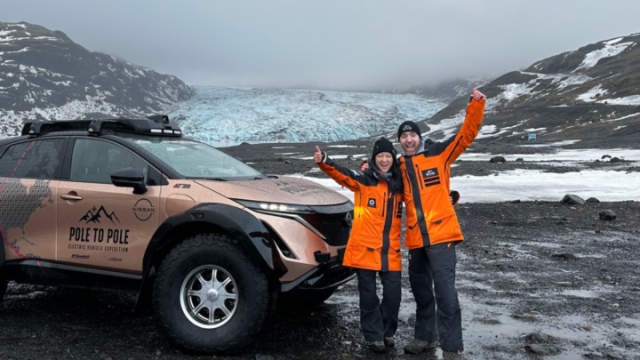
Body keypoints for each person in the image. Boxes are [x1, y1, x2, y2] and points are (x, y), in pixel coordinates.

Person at [398, 88, 486, 360]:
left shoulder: (439, 154)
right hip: (416, 240)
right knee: (422, 292)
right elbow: (380, 186)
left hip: (441, 236)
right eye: (404, 136)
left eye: (412, 134)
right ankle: (425, 338)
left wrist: (476, 106)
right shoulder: (400, 165)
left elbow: (465, 135)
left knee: (446, 294)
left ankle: (451, 348)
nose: (408, 139)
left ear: (419, 137)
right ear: (400, 141)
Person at [314, 138, 403, 353]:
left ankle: (387, 331)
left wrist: (447, 198)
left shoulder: (400, 186)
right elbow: (342, 174)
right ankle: (374, 336)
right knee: (369, 296)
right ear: (374, 159)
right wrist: (324, 161)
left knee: (393, 296)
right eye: (380, 156)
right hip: (364, 250)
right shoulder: (364, 181)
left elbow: (422, 198)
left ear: (393, 159)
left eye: (388, 156)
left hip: (390, 251)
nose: (384, 160)